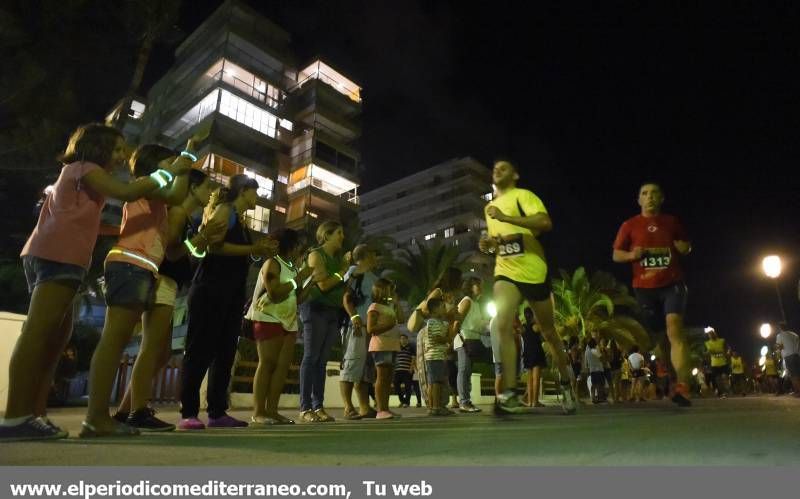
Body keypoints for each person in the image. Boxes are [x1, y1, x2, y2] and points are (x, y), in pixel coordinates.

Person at [0, 124, 189, 442]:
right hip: (59, 255)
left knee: (55, 338)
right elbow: (128, 192)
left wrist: (120, 231)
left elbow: (87, 218)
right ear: (97, 147)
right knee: (38, 332)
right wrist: (170, 170)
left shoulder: (77, 177)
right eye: (117, 149)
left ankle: (34, 414)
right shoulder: (84, 167)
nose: (122, 156)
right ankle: (16, 416)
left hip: (61, 257)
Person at [81, 143, 200, 437]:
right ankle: (96, 417)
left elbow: (175, 197)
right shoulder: (144, 186)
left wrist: (183, 164)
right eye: (166, 162)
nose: (172, 167)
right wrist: (184, 161)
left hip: (144, 268)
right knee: (114, 342)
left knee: (126, 343)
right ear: (153, 164)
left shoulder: (158, 196)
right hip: (129, 264)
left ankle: (117, 414)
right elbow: (174, 192)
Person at [112, 168, 227, 430]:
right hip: (161, 278)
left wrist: (203, 239)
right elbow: (172, 252)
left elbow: (186, 250)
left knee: (161, 352)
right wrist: (202, 237)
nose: (210, 193)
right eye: (207, 187)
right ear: (192, 189)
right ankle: (137, 411)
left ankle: (126, 409)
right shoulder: (176, 212)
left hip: (168, 282)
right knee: (152, 348)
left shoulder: (184, 215)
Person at [478, 159, 577, 415]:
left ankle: (566, 383)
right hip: (505, 270)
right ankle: (510, 391)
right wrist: (490, 244)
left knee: (549, 332)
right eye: (495, 167)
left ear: (515, 174)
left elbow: (544, 223)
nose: (497, 169)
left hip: (533, 269)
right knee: (502, 323)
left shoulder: (524, 196)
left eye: (504, 167)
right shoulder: (489, 207)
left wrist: (507, 217)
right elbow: (501, 240)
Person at [178, 174, 277, 430]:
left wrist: (258, 251)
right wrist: (252, 250)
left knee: (224, 352)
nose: (258, 198)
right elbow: (213, 247)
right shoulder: (225, 210)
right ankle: (188, 412)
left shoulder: (240, 220)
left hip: (231, 292)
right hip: (211, 288)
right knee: (200, 349)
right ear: (243, 191)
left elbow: (237, 253)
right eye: (255, 192)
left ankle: (217, 412)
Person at [612, 182, 693, 407]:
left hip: (672, 284)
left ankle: (683, 387)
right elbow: (616, 254)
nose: (650, 197)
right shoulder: (630, 225)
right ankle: (669, 375)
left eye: (655, 193)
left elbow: (686, 245)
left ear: (661, 198)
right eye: (645, 194)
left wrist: (684, 248)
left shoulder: (671, 222)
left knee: (674, 329)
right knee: (660, 339)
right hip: (644, 288)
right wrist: (631, 255)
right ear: (639, 200)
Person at [247, 229, 313, 426]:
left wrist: (311, 281)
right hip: (267, 317)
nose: (299, 250)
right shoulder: (272, 263)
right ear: (290, 246)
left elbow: (298, 297)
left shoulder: (292, 269)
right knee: (267, 363)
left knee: (282, 368)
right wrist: (299, 278)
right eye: (297, 246)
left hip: (289, 321)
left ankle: (273, 411)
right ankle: (258, 412)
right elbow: (275, 293)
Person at [298, 221, 349, 423]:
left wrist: (346, 272)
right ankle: (305, 408)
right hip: (315, 309)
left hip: (332, 312)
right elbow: (324, 284)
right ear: (326, 235)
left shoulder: (336, 260)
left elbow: (340, 286)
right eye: (339, 233)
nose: (342, 237)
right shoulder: (316, 255)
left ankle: (318, 406)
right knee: (311, 357)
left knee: (322, 361)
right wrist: (344, 270)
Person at [340, 244, 379, 419]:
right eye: (373, 254)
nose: (376, 258)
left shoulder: (373, 277)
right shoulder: (355, 271)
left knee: (364, 370)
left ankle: (364, 406)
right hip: (356, 326)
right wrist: (353, 316)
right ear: (366, 255)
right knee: (351, 366)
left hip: (369, 328)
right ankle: (348, 407)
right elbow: (346, 296)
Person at [367, 278, 403, 420]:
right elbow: (371, 328)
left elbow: (401, 319)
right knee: (382, 377)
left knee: (388, 379)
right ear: (381, 290)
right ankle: (381, 410)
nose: (391, 291)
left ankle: (385, 408)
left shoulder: (390, 306)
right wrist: (388, 325)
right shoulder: (374, 307)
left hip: (392, 345)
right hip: (381, 345)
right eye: (389, 288)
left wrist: (397, 303)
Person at [453, 277, 487, 412]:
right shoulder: (466, 301)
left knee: (467, 372)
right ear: (470, 287)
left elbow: (477, 325)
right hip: (464, 341)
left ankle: (466, 401)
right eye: (477, 285)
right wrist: (452, 340)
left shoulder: (476, 304)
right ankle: (464, 402)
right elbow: (457, 322)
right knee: (464, 370)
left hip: (472, 341)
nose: (480, 287)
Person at [423, 298, 452, 416]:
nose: (445, 309)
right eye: (443, 307)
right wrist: (447, 340)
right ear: (435, 310)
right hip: (434, 356)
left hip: (438, 356)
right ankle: (436, 407)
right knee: (436, 382)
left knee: (433, 382)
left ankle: (433, 406)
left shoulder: (442, 323)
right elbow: (436, 338)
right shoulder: (432, 322)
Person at [521, 307, 547, 407]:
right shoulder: (535, 326)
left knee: (529, 379)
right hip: (536, 352)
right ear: (532, 315)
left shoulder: (523, 327)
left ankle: (530, 401)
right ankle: (535, 402)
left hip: (527, 353)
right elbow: (544, 334)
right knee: (536, 379)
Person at [774, 323, 800, 396]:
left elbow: (779, 347)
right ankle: (797, 391)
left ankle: (798, 391)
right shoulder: (795, 335)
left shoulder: (780, 335)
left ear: (780, 328)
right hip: (797, 355)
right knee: (798, 373)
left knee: (793, 375)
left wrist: (777, 349)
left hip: (789, 356)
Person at [704, 328, 730, 398]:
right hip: (714, 364)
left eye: (712, 334)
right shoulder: (707, 343)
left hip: (723, 362)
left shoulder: (722, 340)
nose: (711, 336)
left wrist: (727, 353)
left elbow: (727, 348)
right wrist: (707, 353)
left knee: (724, 377)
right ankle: (722, 393)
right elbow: (708, 352)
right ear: (708, 336)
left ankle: (726, 389)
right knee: (718, 379)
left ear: (715, 334)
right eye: (709, 335)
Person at [394, 334, 415, 408]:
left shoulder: (411, 347)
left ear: (407, 339)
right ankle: (402, 400)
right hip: (398, 370)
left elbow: (413, 358)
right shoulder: (397, 348)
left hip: (407, 370)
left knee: (407, 387)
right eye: (401, 339)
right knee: (396, 385)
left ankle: (407, 402)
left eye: (404, 338)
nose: (403, 340)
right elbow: (394, 359)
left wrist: (411, 368)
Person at [585, 338, 606, 403]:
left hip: (592, 369)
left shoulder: (587, 352)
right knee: (600, 384)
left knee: (593, 384)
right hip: (599, 369)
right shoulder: (594, 351)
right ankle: (600, 398)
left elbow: (586, 362)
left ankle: (593, 398)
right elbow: (601, 359)